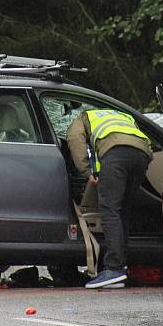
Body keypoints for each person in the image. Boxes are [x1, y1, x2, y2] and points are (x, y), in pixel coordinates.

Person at [66, 109, 152, 289]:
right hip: (141, 155)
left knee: (110, 210)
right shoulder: (122, 115)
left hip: (115, 154)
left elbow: (75, 140)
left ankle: (114, 269)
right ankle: (121, 265)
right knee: (122, 211)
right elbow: (144, 140)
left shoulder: (83, 118)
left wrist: (86, 171)